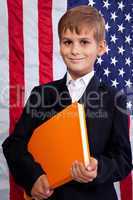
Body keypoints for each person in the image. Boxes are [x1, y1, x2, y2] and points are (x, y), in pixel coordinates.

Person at [2, 5, 132, 200]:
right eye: (67, 42)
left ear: (101, 47)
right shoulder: (42, 94)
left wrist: (99, 167)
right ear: (60, 44)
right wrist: (33, 177)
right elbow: (14, 145)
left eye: (84, 42)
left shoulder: (115, 99)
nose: (74, 50)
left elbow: (123, 159)